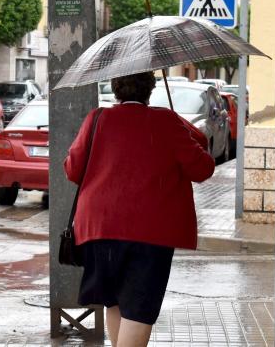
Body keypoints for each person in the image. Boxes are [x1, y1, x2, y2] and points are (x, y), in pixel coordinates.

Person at [64, 71, 215, 347]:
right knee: (139, 310)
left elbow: (73, 170)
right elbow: (202, 168)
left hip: (99, 229)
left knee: (115, 302)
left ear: (116, 88)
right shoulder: (166, 121)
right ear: (150, 90)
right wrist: (186, 130)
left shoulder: (97, 119)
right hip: (150, 234)